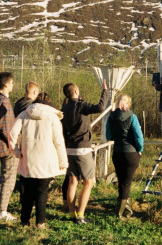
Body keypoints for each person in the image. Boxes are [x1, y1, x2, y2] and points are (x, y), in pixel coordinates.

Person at [9, 92, 68, 229]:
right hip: (46, 161)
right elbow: (59, 141)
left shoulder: (24, 114)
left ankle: (24, 221)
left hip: (27, 160)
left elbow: (12, 133)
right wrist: (63, 162)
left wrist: (16, 151)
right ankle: (40, 223)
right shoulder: (52, 117)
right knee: (42, 192)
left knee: (27, 192)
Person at [61, 79, 109, 224]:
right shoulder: (81, 105)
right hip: (83, 148)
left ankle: (71, 215)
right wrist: (105, 91)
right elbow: (100, 107)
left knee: (72, 181)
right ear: (76, 92)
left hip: (69, 148)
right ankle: (80, 215)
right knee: (88, 182)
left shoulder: (64, 109)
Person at [105, 94, 144, 219]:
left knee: (122, 181)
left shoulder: (111, 117)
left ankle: (123, 207)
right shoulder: (132, 116)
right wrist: (140, 149)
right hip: (130, 153)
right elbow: (139, 136)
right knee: (126, 183)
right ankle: (122, 212)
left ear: (118, 103)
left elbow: (108, 136)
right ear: (128, 103)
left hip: (117, 152)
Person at [0, 72, 18, 221]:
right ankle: (3, 210)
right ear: (6, 84)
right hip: (7, 147)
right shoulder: (5, 102)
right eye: (12, 82)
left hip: (1, 146)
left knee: (3, 177)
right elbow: (5, 128)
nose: (13, 85)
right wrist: (13, 144)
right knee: (9, 179)